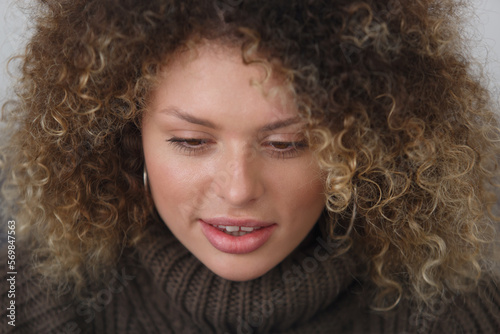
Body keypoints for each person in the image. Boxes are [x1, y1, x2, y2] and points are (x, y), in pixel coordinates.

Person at [1, 0, 500, 333]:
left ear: (361, 146)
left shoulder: (460, 312)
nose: (238, 190)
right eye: (193, 141)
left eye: (287, 144)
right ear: (130, 140)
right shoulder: (21, 292)